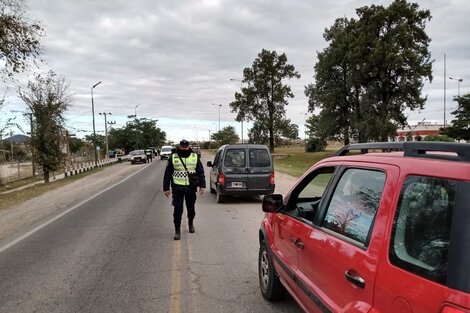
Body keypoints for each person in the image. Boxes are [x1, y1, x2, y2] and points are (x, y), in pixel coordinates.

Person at [163, 139, 206, 240]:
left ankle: (190, 224)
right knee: (178, 210)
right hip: (178, 187)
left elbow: (200, 171)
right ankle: (177, 230)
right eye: (182, 147)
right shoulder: (173, 157)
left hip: (191, 187)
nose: (184, 148)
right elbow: (167, 173)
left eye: (185, 147)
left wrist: (202, 186)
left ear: (188, 147)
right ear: (179, 147)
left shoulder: (194, 156)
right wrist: (166, 188)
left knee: (191, 209)